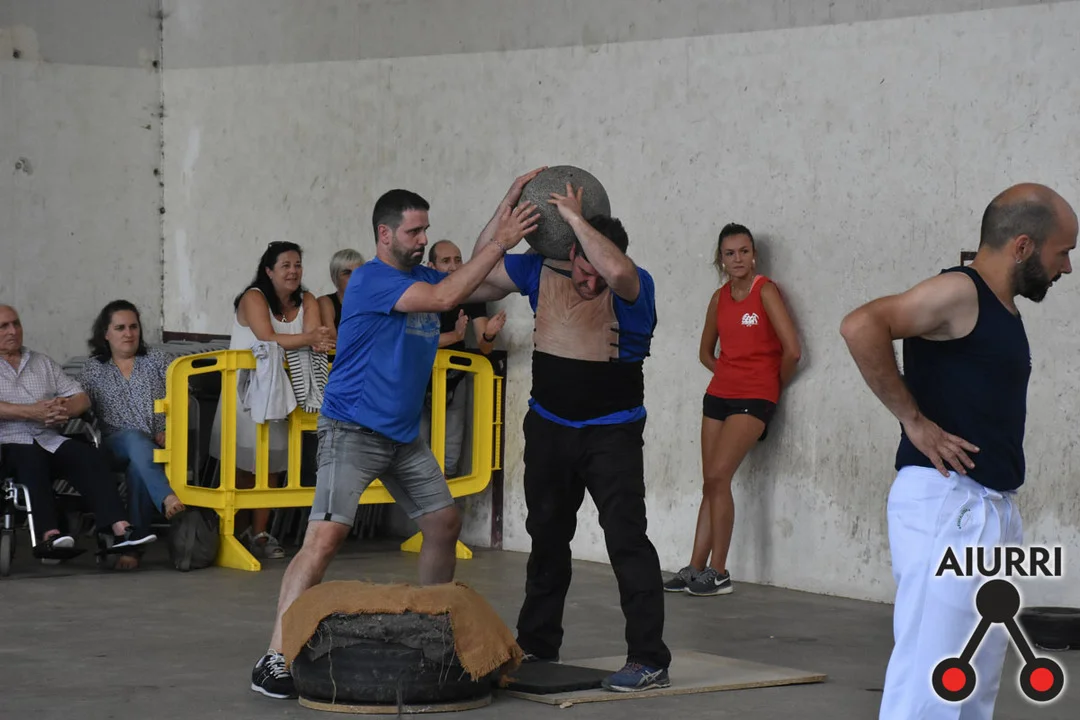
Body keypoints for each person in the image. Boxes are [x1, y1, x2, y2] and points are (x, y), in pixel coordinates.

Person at [249, 174, 542, 700]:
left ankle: (433, 632)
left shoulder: (425, 275)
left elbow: (483, 276)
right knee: (325, 538)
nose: (423, 239)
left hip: (403, 437)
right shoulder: (370, 280)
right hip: (352, 429)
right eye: (413, 232)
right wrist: (502, 240)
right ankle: (273, 656)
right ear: (385, 235)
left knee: (443, 522)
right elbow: (449, 292)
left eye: (426, 230)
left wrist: (507, 208)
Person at [839, 183, 1076, 720]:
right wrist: (913, 421)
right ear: (1022, 246)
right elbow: (861, 326)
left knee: (972, 678)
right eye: (1062, 252)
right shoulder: (959, 291)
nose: (1065, 267)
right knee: (934, 678)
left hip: (989, 508)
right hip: (949, 504)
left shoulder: (999, 307)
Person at [463, 182, 672, 692]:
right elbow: (476, 275)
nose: (589, 281)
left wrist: (576, 218)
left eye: (596, 270)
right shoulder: (542, 269)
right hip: (549, 428)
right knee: (547, 538)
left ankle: (649, 659)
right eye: (582, 268)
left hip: (612, 435)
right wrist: (507, 208)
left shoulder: (633, 284)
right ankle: (537, 644)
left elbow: (615, 271)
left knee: (627, 541)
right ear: (569, 255)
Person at [664, 224, 801, 597]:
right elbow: (705, 352)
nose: (738, 259)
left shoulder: (765, 291)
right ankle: (695, 568)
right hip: (718, 396)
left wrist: (770, 388)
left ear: (754, 255)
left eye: (744, 251)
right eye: (730, 253)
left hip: (755, 397)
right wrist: (728, 373)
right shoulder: (718, 298)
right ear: (720, 259)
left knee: (719, 476)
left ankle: (720, 572)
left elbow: (792, 351)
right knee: (710, 481)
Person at [210, 241, 335, 561]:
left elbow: (315, 340)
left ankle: (260, 533)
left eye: (298, 265)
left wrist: (312, 338)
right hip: (246, 394)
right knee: (243, 465)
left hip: (283, 394)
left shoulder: (308, 299)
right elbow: (268, 337)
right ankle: (234, 532)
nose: (293, 271)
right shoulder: (253, 297)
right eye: (285, 266)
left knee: (273, 465)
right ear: (268, 271)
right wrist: (309, 338)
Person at [0, 304, 156, 560]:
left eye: (16, 323)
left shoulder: (41, 362)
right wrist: (31, 412)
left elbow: (81, 397)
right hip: (8, 444)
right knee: (31, 458)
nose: (13, 331)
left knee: (88, 455)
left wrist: (65, 409)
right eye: (4, 326)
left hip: (48, 438)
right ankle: (49, 534)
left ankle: (121, 529)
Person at [79, 300, 185, 570]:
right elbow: (79, 403)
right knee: (134, 439)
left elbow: (184, 398)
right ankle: (166, 496)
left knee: (139, 467)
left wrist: (168, 429)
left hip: (155, 445)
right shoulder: (94, 368)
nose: (128, 333)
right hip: (113, 446)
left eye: (133, 327)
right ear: (105, 333)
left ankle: (133, 548)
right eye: (120, 328)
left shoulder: (157, 361)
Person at [420, 239, 507, 476]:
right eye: (445, 261)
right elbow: (413, 343)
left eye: (458, 260)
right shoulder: (419, 293)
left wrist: (489, 335)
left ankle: (447, 497)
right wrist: (454, 336)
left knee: (450, 455)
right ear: (430, 266)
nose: (453, 267)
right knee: (417, 453)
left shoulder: (471, 294)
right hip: (417, 379)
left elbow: (485, 347)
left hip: (454, 378)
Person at [318, 248, 365, 332]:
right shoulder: (326, 303)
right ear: (334, 277)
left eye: (358, 272)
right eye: (347, 273)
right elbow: (331, 338)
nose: (354, 277)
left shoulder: (373, 302)